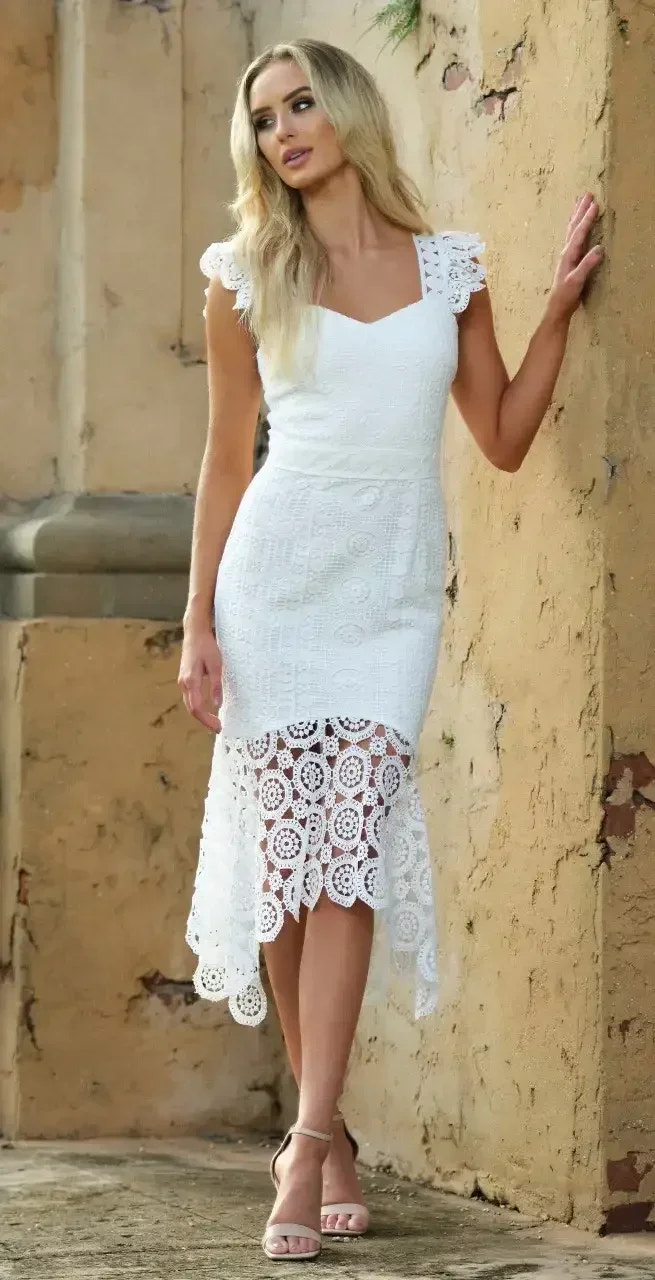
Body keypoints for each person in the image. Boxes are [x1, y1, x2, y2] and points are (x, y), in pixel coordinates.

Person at [178, 37, 603, 1263]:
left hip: (391, 594)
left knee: (346, 845)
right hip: (279, 576)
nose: (285, 131)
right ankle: (328, 1134)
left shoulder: (449, 267)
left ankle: (304, 1140)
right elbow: (223, 455)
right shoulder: (243, 271)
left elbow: (505, 433)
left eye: (302, 104)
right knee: (286, 854)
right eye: (264, 119)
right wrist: (199, 618)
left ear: (348, 109)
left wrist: (558, 311)